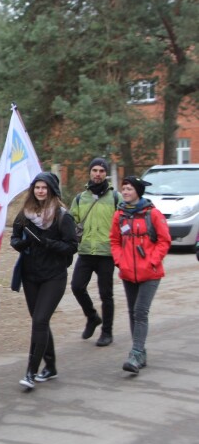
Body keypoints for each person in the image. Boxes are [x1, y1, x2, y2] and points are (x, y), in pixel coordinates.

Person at [10, 173, 77, 389]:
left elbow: (71, 247)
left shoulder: (62, 216)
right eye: (37, 187)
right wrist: (21, 243)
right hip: (30, 276)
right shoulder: (25, 214)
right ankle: (51, 367)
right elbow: (15, 238)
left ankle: (31, 372)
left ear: (52, 190)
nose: (40, 191)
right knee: (40, 322)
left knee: (39, 321)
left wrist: (48, 243)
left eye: (44, 187)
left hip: (54, 276)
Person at [110, 176, 171, 375]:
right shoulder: (119, 215)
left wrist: (153, 261)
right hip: (128, 272)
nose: (125, 192)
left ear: (137, 191)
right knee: (132, 312)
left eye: (128, 189)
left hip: (150, 273)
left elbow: (164, 240)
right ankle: (140, 352)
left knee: (140, 312)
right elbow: (114, 240)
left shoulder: (152, 214)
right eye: (124, 189)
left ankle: (135, 353)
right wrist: (120, 260)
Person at [70, 158, 122, 347]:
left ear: (105, 174)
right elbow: (70, 222)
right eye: (95, 170)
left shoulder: (116, 198)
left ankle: (107, 332)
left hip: (106, 254)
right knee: (76, 287)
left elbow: (123, 223)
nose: (98, 173)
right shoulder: (79, 198)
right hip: (85, 252)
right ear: (90, 172)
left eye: (101, 170)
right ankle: (92, 317)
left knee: (106, 294)